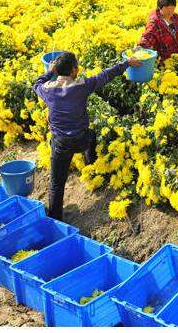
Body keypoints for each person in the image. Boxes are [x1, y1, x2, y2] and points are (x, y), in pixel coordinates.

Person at [32, 52, 142, 221]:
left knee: (56, 184)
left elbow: (36, 84)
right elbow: (105, 75)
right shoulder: (81, 86)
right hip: (81, 139)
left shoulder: (48, 89)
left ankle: (55, 219)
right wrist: (127, 63)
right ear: (73, 71)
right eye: (76, 67)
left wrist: (49, 72)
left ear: (57, 70)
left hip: (61, 144)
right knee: (91, 136)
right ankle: (92, 165)